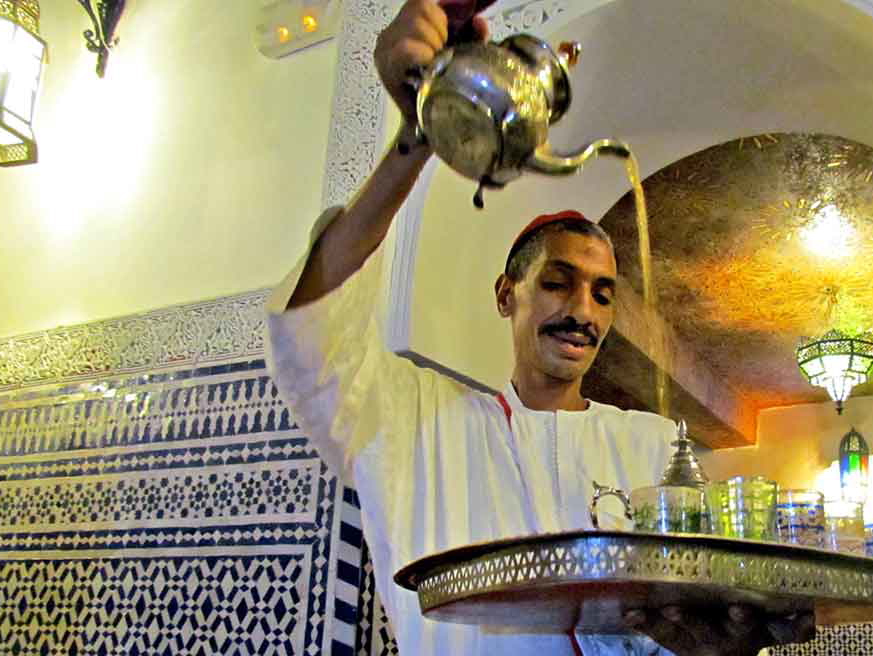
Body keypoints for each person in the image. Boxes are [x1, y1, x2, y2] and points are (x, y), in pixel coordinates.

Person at [264, 0, 814, 653]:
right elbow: (313, 333)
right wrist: (418, 136)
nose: (584, 311)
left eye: (603, 294)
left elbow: (692, 621)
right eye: (558, 282)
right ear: (507, 295)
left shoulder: (652, 445)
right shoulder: (415, 427)